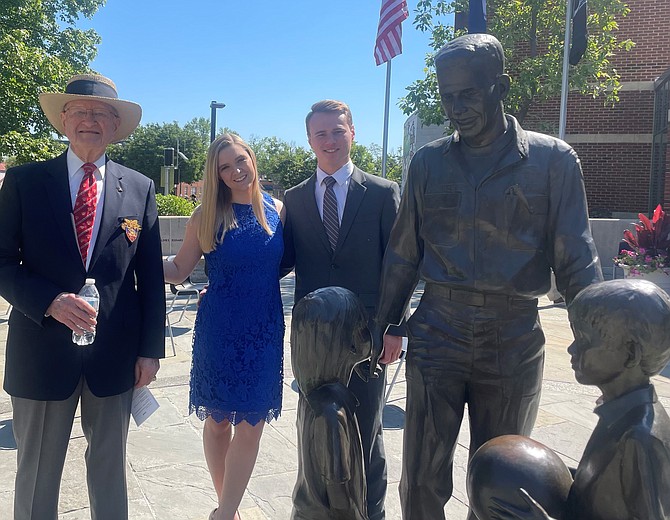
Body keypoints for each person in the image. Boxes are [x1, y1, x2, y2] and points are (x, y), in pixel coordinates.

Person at [372, 34, 602, 520]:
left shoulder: (554, 162)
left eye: (468, 95)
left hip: (513, 338)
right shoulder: (427, 163)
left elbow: (578, 262)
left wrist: (602, 346)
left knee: (502, 474)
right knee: (420, 477)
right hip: (438, 331)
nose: (456, 108)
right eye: (447, 96)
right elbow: (402, 255)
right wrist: (381, 325)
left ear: (500, 87)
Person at [0, 74, 165, 519]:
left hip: (115, 356)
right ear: (63, 121)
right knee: (36, 473)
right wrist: (50, 300)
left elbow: (149, 278)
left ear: (115, 126)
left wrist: (151, 351)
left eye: (102, 114)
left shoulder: (140, 187)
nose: (90, 120)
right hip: (40, 351)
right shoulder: (24, 181)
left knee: (110, 471)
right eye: (80, 112)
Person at [282, 99, 403, 520]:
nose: (329, 140)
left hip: (364, 339)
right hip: (314, 344)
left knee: (365, 433)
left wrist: (395, 328)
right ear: (310, 140)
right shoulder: (295, 200)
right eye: (321, 134)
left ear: (353, 132)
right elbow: (280, 261)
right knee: (319, 429)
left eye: (337, 131)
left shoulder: (384, 193)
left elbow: (399, 265)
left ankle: (372, 512)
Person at [163, 133, 284, 520]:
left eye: (240, 161)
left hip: (264, 330)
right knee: (217, 423)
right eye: (225, 167)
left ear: (252, 157)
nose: (236, 171)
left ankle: (223, 513)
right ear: (216, 175)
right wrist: (134, 253)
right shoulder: (208, 215)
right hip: (219, 330)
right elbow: (179, 269)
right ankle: (228, 510)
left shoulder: (279, 209)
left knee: (252, 424)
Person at [488, 279, 670, 520]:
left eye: (584, 340)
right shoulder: (621, 413)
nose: (571, 349)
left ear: (630, 353)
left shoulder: (640, 438)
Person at [291, 287, 372, 520]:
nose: (368, 334)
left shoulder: (313, 397)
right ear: (349, 344)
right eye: (362, 328)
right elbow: (338, 493)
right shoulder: (332, 414)